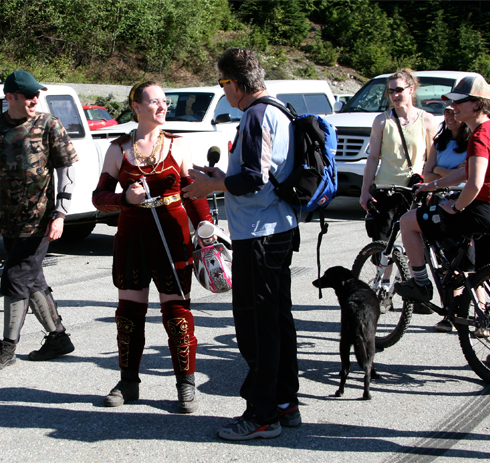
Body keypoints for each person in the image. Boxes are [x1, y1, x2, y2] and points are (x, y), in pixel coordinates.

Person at [182, 48, 300, 441]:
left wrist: (210, 185)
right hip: (278, 229)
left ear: (234, 83)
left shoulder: (255, 114)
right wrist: (221, 175)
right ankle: (286, 404)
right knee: (278, 321)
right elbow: (261, 172)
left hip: (260, 236)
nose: (224, 92)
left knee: (257, 327)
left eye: (221, 84)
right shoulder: (280, 110)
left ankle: (262, 415)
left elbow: (253, 178)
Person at [92, 81, 213, 413]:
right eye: (155, 101)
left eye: (164, 101)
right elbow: (98, 199)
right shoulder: (118, 149)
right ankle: (129, 383)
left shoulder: (178, 145)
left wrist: (205, 229)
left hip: (172, 235)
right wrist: (123, 199)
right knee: (129, 314)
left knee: (176, 311)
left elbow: (194, 192)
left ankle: (185, 385)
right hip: (132, 236)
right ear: (137, 108)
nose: (163, 107)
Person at [0, 70, 77, 370]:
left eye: (38, 94)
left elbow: (67, 170)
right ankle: (58, 338)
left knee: (15, 277)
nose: (36, 99)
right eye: (29, 95)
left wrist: (60, 213)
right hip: (9, 220)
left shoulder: (49, 124)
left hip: (41, 220)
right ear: (10, 98)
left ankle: (7, 348)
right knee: (31, 279)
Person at [395, 74, 490, 371]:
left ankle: (421, 286)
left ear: (477, 104)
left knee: (409, 221)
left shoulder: (479, 134)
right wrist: (432, 187)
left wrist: (455, 206)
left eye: (459, 102)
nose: (453, 107)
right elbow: (466, 170)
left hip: (482, 211)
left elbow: (473, 184)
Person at [360, 69, 436, 242]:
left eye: (399, 90)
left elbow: (431, 160)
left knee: (419, 246)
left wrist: (431, 187)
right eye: (391, 91)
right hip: (387, 191)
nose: (394, 95)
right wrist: (365, 191)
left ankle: (410, 270)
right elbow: (372, 158)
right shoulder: (382, 120)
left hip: (414, 191)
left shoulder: (427, 119)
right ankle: (383, 270)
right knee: (383, 247)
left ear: (411, 89)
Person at [423, 106, 472, 332]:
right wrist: (452, 173)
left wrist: (441, 172)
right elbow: (427, 172)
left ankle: (472, 309)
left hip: (462, 200)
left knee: (465, 261)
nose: (450, 117)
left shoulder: (472, 140)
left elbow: (468, 175)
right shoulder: (440, 141)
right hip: (439, 198)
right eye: (447, 112)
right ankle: (450, 312)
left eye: (454, 112)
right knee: (444, 262)